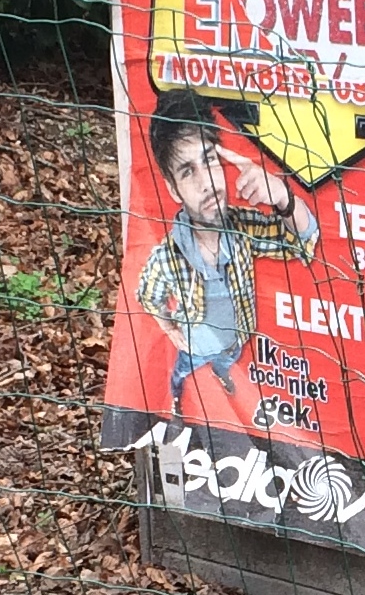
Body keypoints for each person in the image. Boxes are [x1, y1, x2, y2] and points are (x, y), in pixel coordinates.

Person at [134, 90, 318, 412]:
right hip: (195, 346)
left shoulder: (242, 228)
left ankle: (222, 374)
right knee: (181, 373)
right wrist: (169, 327)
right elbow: (147, 294)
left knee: (225, 362)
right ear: (173, 189)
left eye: (209, 160)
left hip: (234, 341)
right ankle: (176, 399)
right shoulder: (167, 256)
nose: (207, 183)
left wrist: (283, 197)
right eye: (188, 171)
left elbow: (302, 242)